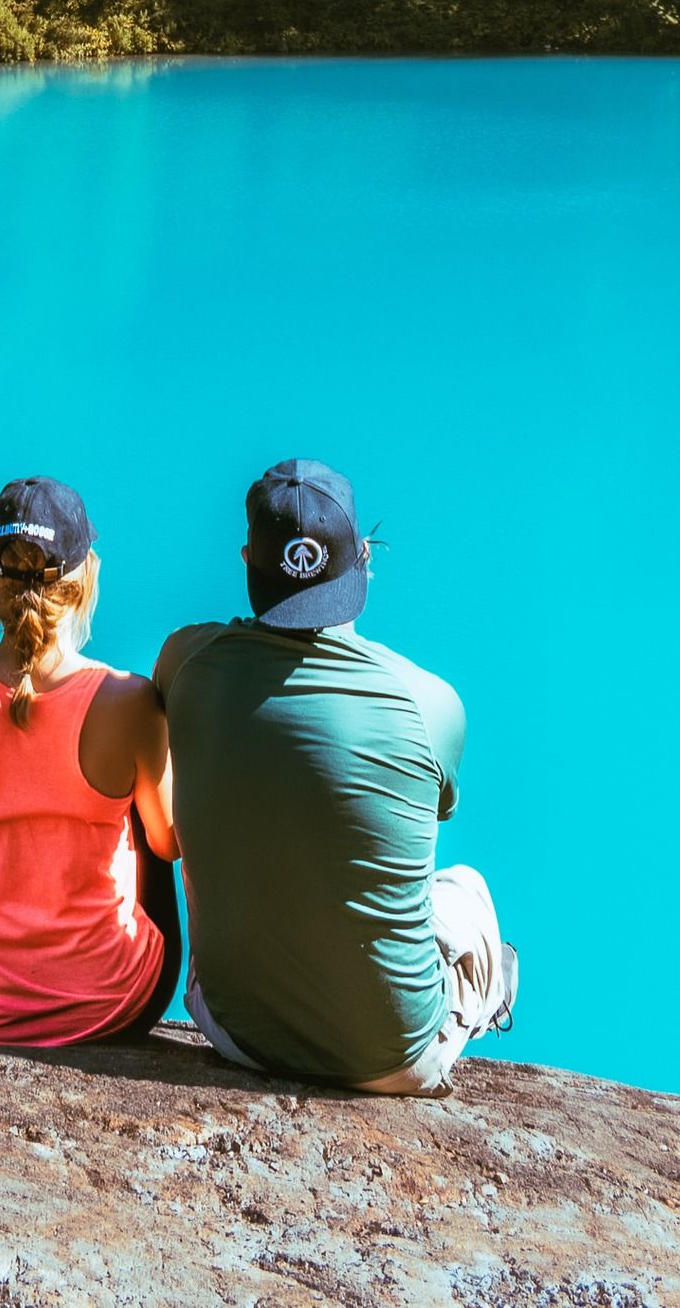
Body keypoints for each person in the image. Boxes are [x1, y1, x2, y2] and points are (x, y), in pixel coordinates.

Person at [157, 456, 517, 1093]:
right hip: (393, 1060)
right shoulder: (431, 704)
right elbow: (426, 812)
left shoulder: (183, 660)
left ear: (247, 561)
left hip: (237, 1035)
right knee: (466, 890)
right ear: (363, 560)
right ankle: (479, 996)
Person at [0, 473, 180, 1048]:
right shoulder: (130, 701)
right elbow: (169, 844)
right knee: (144, 815)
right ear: (85, 579)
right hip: (110, 1002)